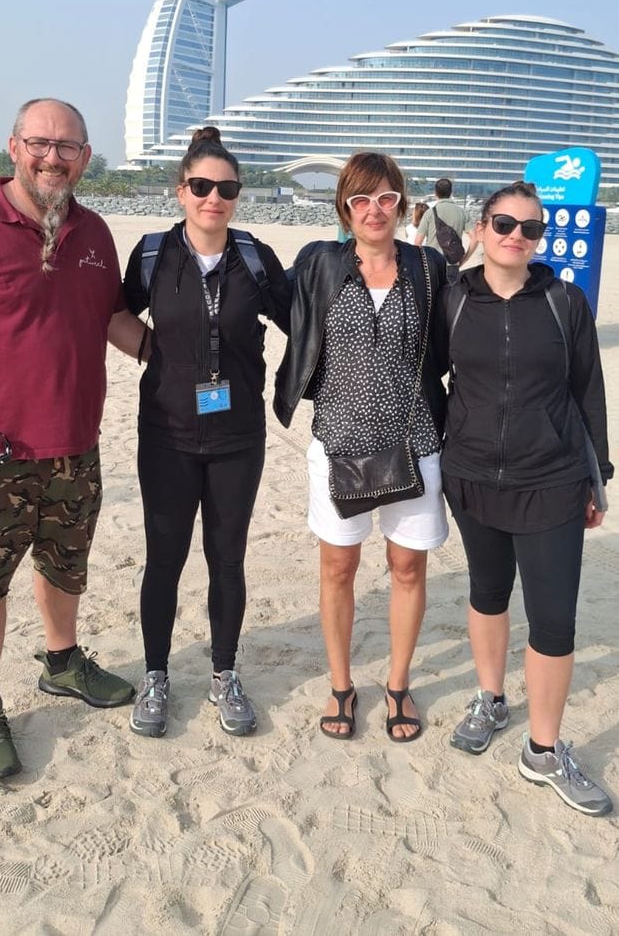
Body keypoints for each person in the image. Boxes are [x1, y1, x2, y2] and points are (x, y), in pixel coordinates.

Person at [0, 98, 146, 782]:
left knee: (64, 566)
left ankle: (62, 662)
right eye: (41, 144)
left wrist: (180, 359)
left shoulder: (95, 234)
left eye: (69, 147)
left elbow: (111, 319)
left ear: (85, 157)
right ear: (13, 146)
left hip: (74, 444)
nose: (54, 157)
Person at [437, 180, 613, 816]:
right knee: (486, 594)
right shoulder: (452, 299)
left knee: (554, 621)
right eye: (505, 224)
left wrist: (600, 476)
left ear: (543, 239)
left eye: (531, 229)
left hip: (553, 479)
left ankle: (543, 750)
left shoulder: (564, 301)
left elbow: (587, 388)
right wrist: (441, 454)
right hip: (473, 476)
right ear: (481, 229)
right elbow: (431, 380)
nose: (517, 237)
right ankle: (490, 697)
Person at [274, 152, 448, 740]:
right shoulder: (319, 264)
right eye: (360, 200)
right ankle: (342, 685)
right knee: (338, 566)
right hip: (338, 441)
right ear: (344, 210)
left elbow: (454, 341)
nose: (375, 211)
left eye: (386, 198)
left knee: (406, 566)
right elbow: (278, 312)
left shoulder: (428, 267)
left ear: (403, 202)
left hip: (413, 439)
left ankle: (398, 686)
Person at [123, 126, 290, 739]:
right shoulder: (151, 253)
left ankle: (224, 673)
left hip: (238, 436)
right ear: (181, 191)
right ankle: (157, 675)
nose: (213, 197)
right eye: (201, 186)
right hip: (165, 431)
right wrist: (155, 352)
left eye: (226, 187)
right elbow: (112, 313)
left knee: (228, 557)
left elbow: (301, 318)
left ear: (237, 195)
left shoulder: (254, 256)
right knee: (164, 558)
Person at [414, 177, 468, 281]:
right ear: (451, 192)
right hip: (453, 264)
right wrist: (464, 258)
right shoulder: (462, 212)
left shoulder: (429, 213)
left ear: (435, 193)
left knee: (432, 296)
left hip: (432, 264)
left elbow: (417, 243)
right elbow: (475, 238)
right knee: (450, 296)